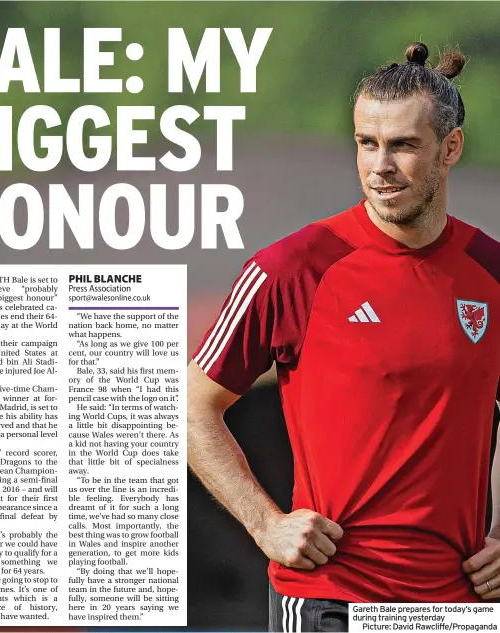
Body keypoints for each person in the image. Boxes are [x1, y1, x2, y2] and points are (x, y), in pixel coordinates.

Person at [187, 42, 500, 632]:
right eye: (366, 143)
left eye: (404, 145)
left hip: (463, 605)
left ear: (451, 148)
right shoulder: (294, 269)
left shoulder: (492, 272)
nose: (379, 165)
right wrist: (265, 525)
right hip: (335, 598)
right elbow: (190, 406)